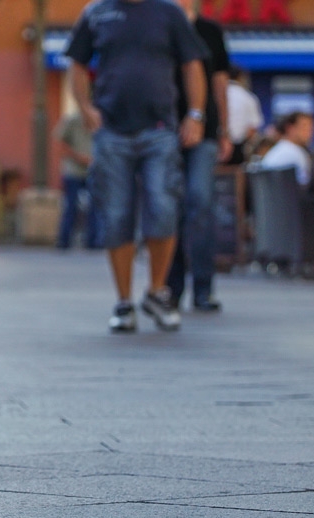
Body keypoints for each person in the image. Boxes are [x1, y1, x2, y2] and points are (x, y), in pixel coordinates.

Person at [66, 0, 206, 333]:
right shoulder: (96, 12)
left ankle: (157, 291)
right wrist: (85, 108)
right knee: (116, 215)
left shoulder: (169, 12)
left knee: (163, 206)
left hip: (159, 129)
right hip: (111, 131)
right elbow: (76, 63)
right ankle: (124, 301)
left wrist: (196, 114)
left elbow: (192, 64)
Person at [166, 0, 231, 313]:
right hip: (165, 132)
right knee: (170, 209)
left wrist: (225, 130)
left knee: (200, 203)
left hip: (205, 132)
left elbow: (220, 83)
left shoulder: (210, 31)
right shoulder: (161, 25)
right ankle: (171, 288)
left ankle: (203, 288)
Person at [54, 110, 102, 250]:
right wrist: (78, 157)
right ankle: (64, 240)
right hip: (73, 170)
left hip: (94, 171)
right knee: (71, 205)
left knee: (95, 206)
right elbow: (59, 143)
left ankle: (93, 241)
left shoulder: (102, 120)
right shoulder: (73, 120)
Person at [261, 111, 314, 187]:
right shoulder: (293, 151)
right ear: (290, 128)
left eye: (311, 128)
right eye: (304, 127)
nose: (309, 132)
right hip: (284, 197)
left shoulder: (283, 148)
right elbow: (307, 186)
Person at [226, 65, 264, 165]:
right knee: (237, 174)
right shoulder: (247, 97)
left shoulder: (216, 94)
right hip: (237, 145)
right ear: (240, 77)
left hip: (216, 141)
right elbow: (252, 129)